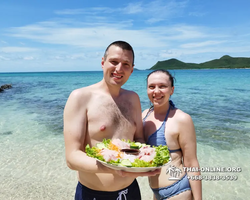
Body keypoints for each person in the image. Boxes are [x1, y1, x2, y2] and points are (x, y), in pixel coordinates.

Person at [63, 41, 159, 200]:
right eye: (114, 62)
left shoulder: (133, 98)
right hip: (93, 194)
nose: (119, 69)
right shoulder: (80, 97)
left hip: (131, 192)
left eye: (126, 64)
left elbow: (139, 139)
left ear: (132, 70)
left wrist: (147, 161)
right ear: (102, 62)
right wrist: (113, 168)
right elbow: (72, 158)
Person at [142, 69, 202, 200]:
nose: (156, 91)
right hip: (155, 192)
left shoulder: (182, 119)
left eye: (162, 86)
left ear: (172, 90)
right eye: (151, 87)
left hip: (178, 191)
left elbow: (191, 163)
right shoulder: (144, 115)